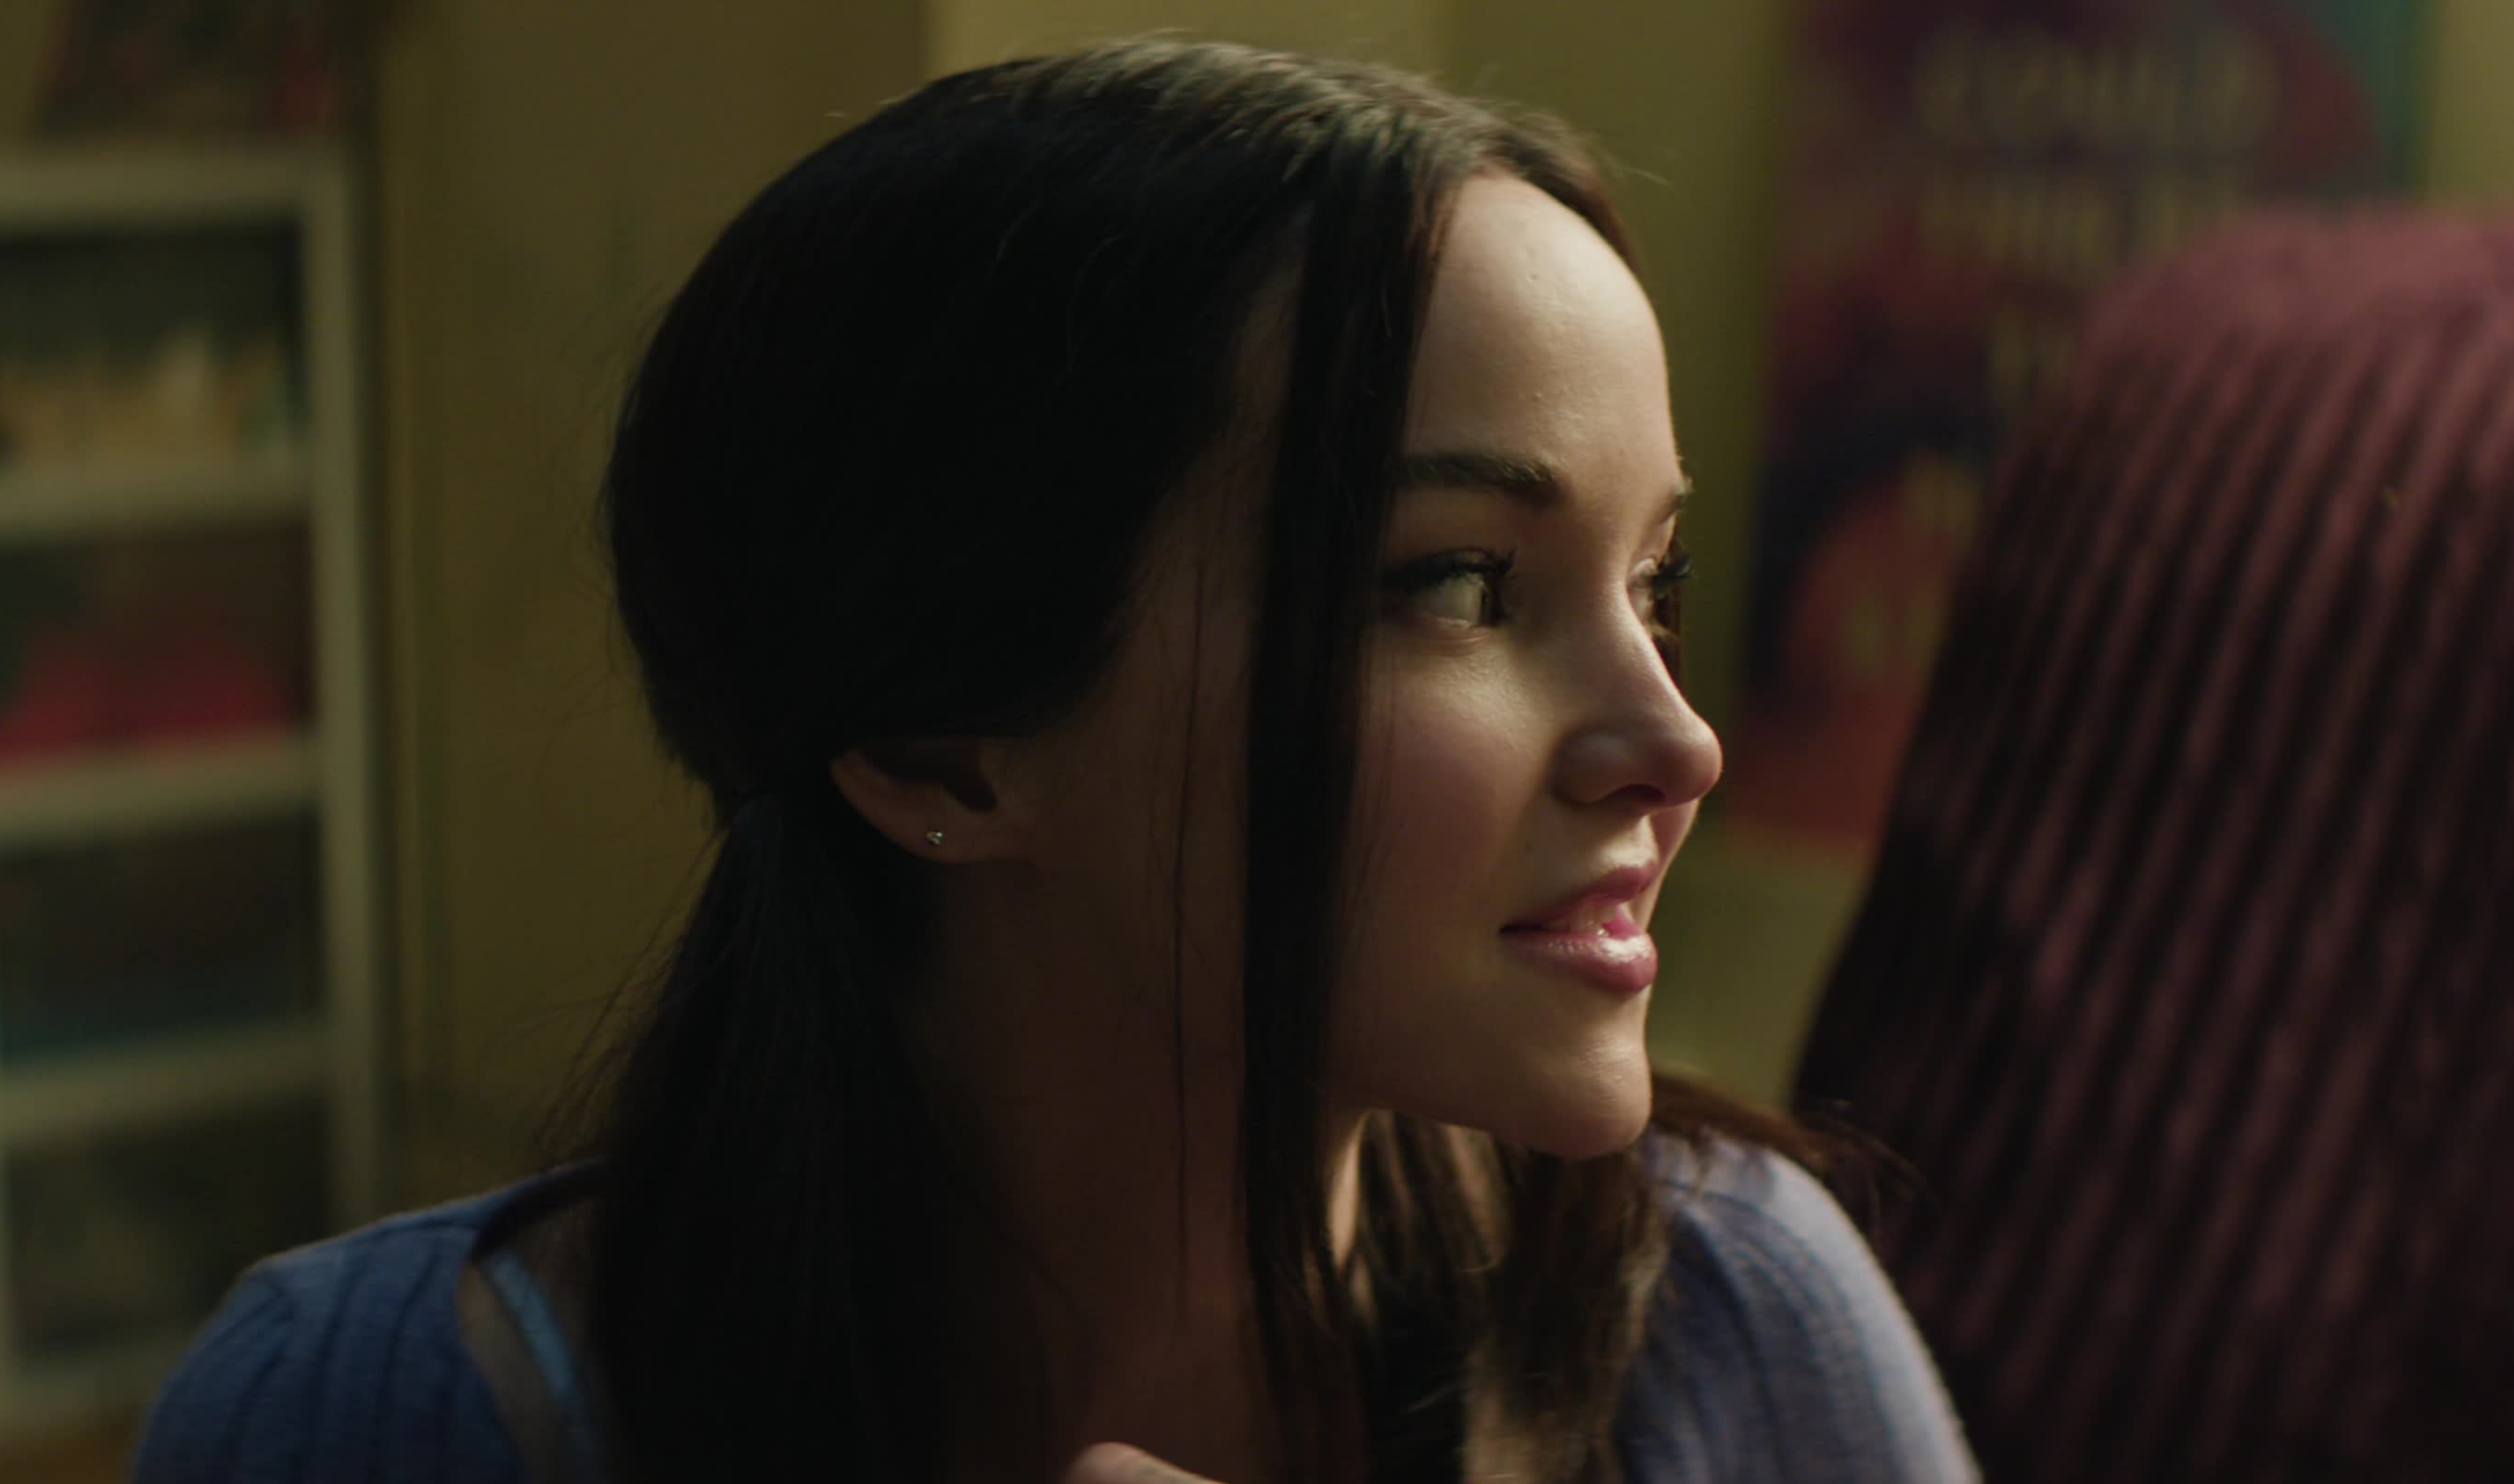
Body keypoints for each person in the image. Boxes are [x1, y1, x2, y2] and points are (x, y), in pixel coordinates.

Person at [133, 38, 1973, 1484]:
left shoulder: (1732, 1316)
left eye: (1654, 583)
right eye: (1461, 584)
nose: (1676, 742)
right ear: (939, 745)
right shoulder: (376, 1412)